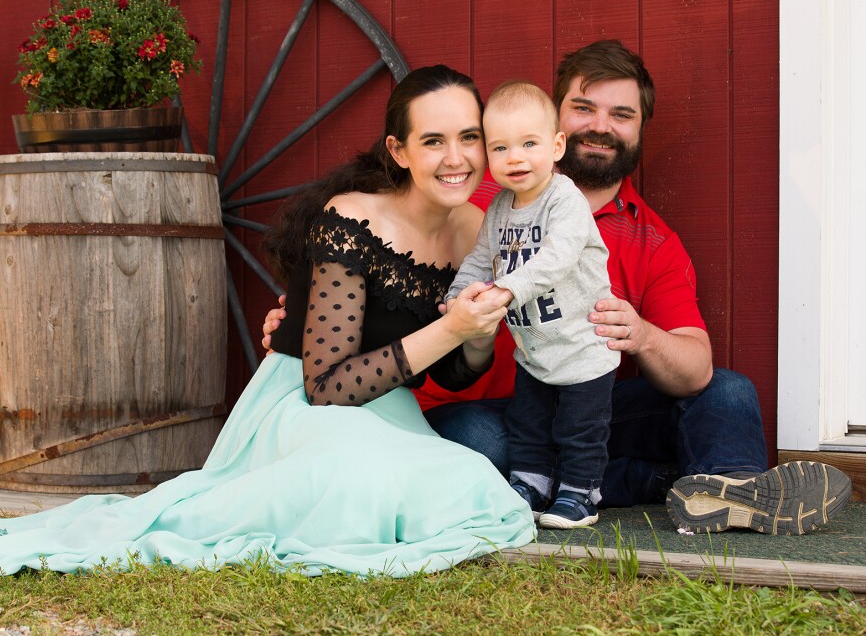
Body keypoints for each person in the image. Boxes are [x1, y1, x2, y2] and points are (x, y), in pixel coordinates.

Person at [264, 41, 852, 536]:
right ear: (553, 122)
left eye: (621, 114)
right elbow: (388, 258)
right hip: (475, 408)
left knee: (725, 392)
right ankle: (662, 482)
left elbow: (693, 368)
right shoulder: (479, 201)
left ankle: (734, 492)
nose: (601, 125)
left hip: (579, 398)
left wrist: (643, 335)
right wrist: (306, 321)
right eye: (583, 107)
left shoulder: (653, 241)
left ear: (637, 131)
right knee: (480, 441)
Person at [0, 65, 535, 577]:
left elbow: (455, 374)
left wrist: (477, 338)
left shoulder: (474, 228)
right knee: (359, 480)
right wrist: (452, 329)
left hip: (391, 411)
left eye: (468, 137)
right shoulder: (351, 217)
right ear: (399, 150)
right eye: (433, 141)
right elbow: (325, 387)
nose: (456, 158)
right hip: (300, 406)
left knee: (468, 480)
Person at [445, 81, 618, 529]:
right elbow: (481, 260)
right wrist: (454, 299)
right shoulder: (500, 208)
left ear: (557, 145)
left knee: (581, 429)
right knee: (529, 425)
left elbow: (556, 259)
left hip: (582, 347)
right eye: (500, 148)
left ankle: (582, 495)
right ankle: (531, 484)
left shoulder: (566, 201)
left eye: (528, 144)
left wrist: (505, 291)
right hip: (536, 349)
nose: (515, 158)